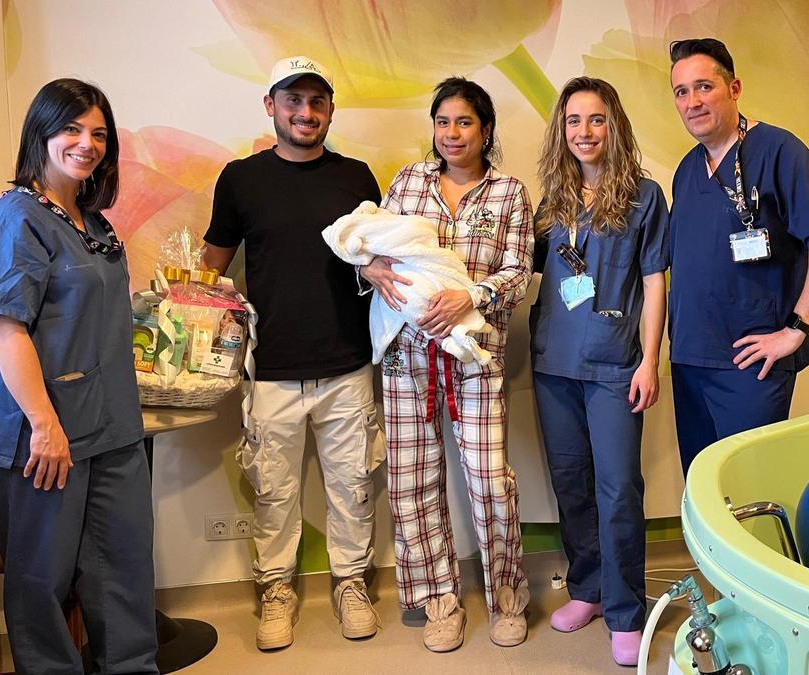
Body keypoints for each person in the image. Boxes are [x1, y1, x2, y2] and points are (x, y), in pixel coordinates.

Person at [0, 78, 157, 674]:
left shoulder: (93, 222)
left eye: (99, 133)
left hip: (112, 428)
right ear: (42, 133)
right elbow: (7, 329)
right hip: (44, 435)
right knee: (41, 580)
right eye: (72, 129)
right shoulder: (15, 217)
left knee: (123, 570)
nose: (87, 143)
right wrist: (45, 427)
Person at [201, 56, 386, 651]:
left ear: (330, 110)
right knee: (274, 492)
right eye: (293, 101)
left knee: (353, 485)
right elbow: (211, 268)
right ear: (271, 107)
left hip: (348, 363)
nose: (305, 113)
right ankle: (276, 591)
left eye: (317, 102)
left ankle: (351, 583)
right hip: (272, 369)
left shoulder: (358, 177)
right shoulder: (241, 179)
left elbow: (378, 263)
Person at [359, 77, 533, 653]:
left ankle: (507, 594)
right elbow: (371, 248)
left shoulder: (508, 192)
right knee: (411, 481)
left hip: (475, 360)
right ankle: (437, 598)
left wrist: (472, 297)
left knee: (489, 482)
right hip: (407, 360)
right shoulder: (408, 181)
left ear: (485, 130)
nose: (451, 134)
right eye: (442, 122)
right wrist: (372, 272)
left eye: (464, 123)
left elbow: (518, 268)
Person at [529, 77, 668, 667]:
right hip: (553, 364)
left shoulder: (644, 197)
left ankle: (625, 608)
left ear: (616, 126)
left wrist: (649, 361)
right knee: (571, 484)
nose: (584, 132)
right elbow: (521, 270)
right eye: (573, 121)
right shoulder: (551, 202)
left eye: (596, 120)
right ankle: (585, 588)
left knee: (617, 490)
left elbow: (657, 281)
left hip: (615, 367)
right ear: (562, 131)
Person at [667, 38, 809, 474]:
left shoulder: (777, 150)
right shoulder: (687, 170)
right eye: (681, 92)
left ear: (734, 89)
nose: (693, 102)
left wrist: (796, 329)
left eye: (704, 87)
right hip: (691, 361)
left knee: (749, 487)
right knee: (703, 489)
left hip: (749, 364)